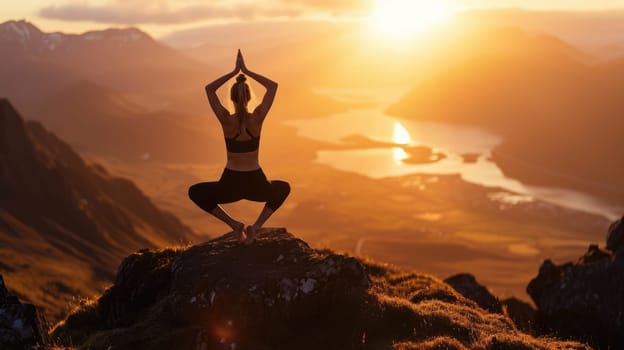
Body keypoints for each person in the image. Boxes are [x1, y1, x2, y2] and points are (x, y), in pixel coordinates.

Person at [188, 50, 290, 244]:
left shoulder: (226, 120)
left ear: (233, 98)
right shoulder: (257, 118)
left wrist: (234, 72)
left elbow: (209, 89)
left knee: (195, 192)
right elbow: (273, 86)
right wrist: (247, 71)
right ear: (250, 97)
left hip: (230, 183)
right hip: (256, 181)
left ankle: (234, 225)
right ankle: (256, 226)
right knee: (283, 188)